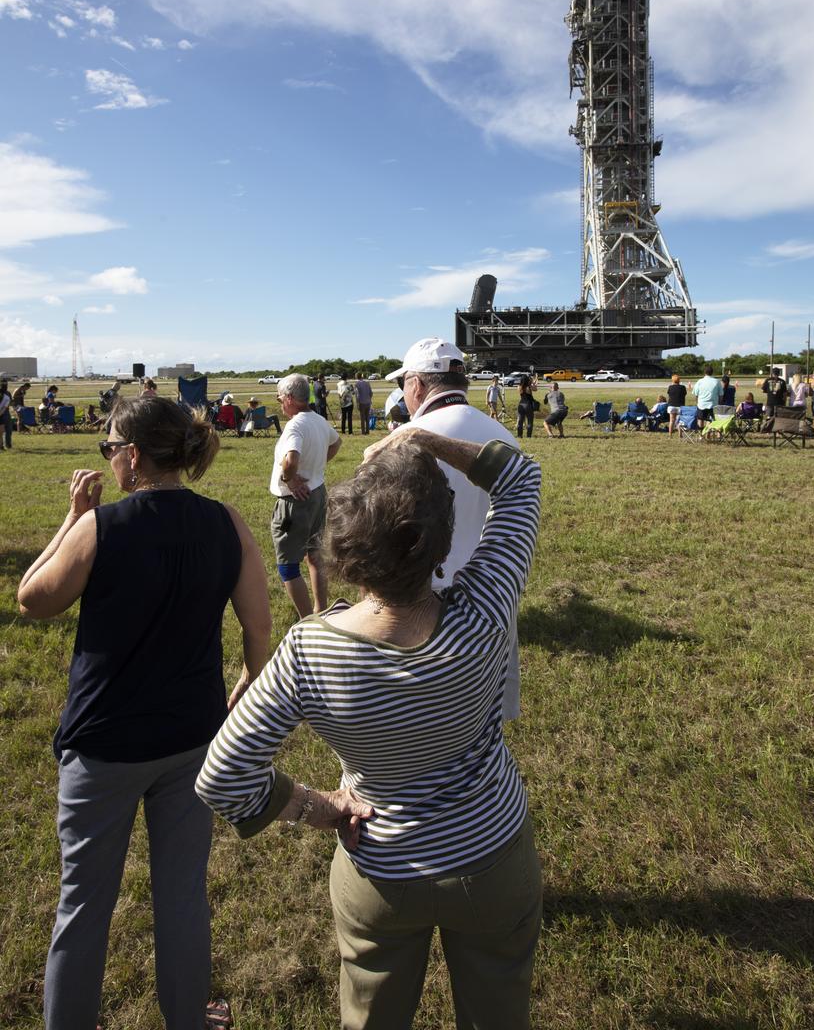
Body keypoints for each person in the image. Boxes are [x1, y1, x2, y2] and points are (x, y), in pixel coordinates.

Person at [196, 428, 543, 1030]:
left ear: (344, 545)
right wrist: (423, 439)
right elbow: (521, 479)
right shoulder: (487, 607)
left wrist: (320, 806)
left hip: (377, 867)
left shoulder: (309, 649)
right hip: (493, 857)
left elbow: (224, 776)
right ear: (440, 546)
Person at [17, 396, 274, 1030]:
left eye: (108, 449)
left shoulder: (103, 526)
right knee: (182, 894)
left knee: (83, 903)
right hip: (192, 738)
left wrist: (73, 517)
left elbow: (31, 599)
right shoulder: (227, 522)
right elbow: (258, 632)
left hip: (103, 744)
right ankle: (188, 1017)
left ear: (131, 456)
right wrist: (236, 697)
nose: (107, 460)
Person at [387, 337, 522, 721]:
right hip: (494, 597)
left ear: (416, 385)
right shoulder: (503, 436)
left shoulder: (403, 441)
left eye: (403, 387)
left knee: (424, 719)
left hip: (423, 600)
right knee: (486, 715)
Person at [271, 373, 341, 618]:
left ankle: (307, 620)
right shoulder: (318, 420)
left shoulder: (295, 425)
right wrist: (316, 468)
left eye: (280, 398)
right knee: (315, 554)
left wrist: (289, 479)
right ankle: (320, 609)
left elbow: (291, 459)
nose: (280, 403)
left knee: (288, 566)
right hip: (318, 494)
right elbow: (336, 442)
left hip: (295, 501)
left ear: (290, 398)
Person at [0, 378, 12, 450]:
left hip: (6, 412)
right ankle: (3, 445)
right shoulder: (6, 394)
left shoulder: (8, 393)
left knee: (8, 430)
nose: (4, 385)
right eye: (3, 383)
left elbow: (10, 402)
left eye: (5, 383)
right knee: (3, 431)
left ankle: (8, 445)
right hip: (4, 413)